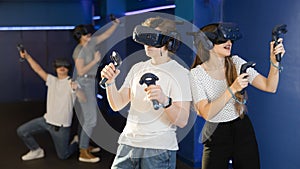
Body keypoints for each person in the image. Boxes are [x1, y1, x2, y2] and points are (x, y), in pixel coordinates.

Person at [189, 22, 285, 169]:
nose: (229, 43)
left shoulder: (236, 62)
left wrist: (274, 62)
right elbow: (206, 112)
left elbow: (269, 86)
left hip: (242, 129)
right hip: (216, 133)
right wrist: (233, 88)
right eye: (223, 40)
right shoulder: (197, 74)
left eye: (230, 40)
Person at [100, 16, 192, 169]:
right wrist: (110, 82)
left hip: (158, 148)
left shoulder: (180, 73)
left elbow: (182, 120)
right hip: (128, 143)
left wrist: (165, 101)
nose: (148, 45)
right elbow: (117, 105)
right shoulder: (137, 68)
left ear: (168, 42)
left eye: (153, 39)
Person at [16, 50, 80, 161]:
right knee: (22, 131)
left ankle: (76, 141)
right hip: (46, 121)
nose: (62, 68)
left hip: (61, 127)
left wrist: (76, 89)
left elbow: (82, 97)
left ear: (68, 69)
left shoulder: (72, 82)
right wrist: (27, 56)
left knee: (63, 156)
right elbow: (38, 69)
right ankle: (36, 150)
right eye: (59, 66)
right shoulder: (51, 80)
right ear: (55, 68)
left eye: (64, 66)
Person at [72, 19, 120, 163]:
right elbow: (80, 71)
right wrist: (95, 60)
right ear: (80, 36)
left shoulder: (90, 43)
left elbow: (104, 35)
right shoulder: (79, 51)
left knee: (88, 117)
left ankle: (83, 143)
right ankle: (83, 151)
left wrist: (115, 25)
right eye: (86, 35)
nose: (89, 36)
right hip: (84, 82)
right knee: (91, 119)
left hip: (91, 81)